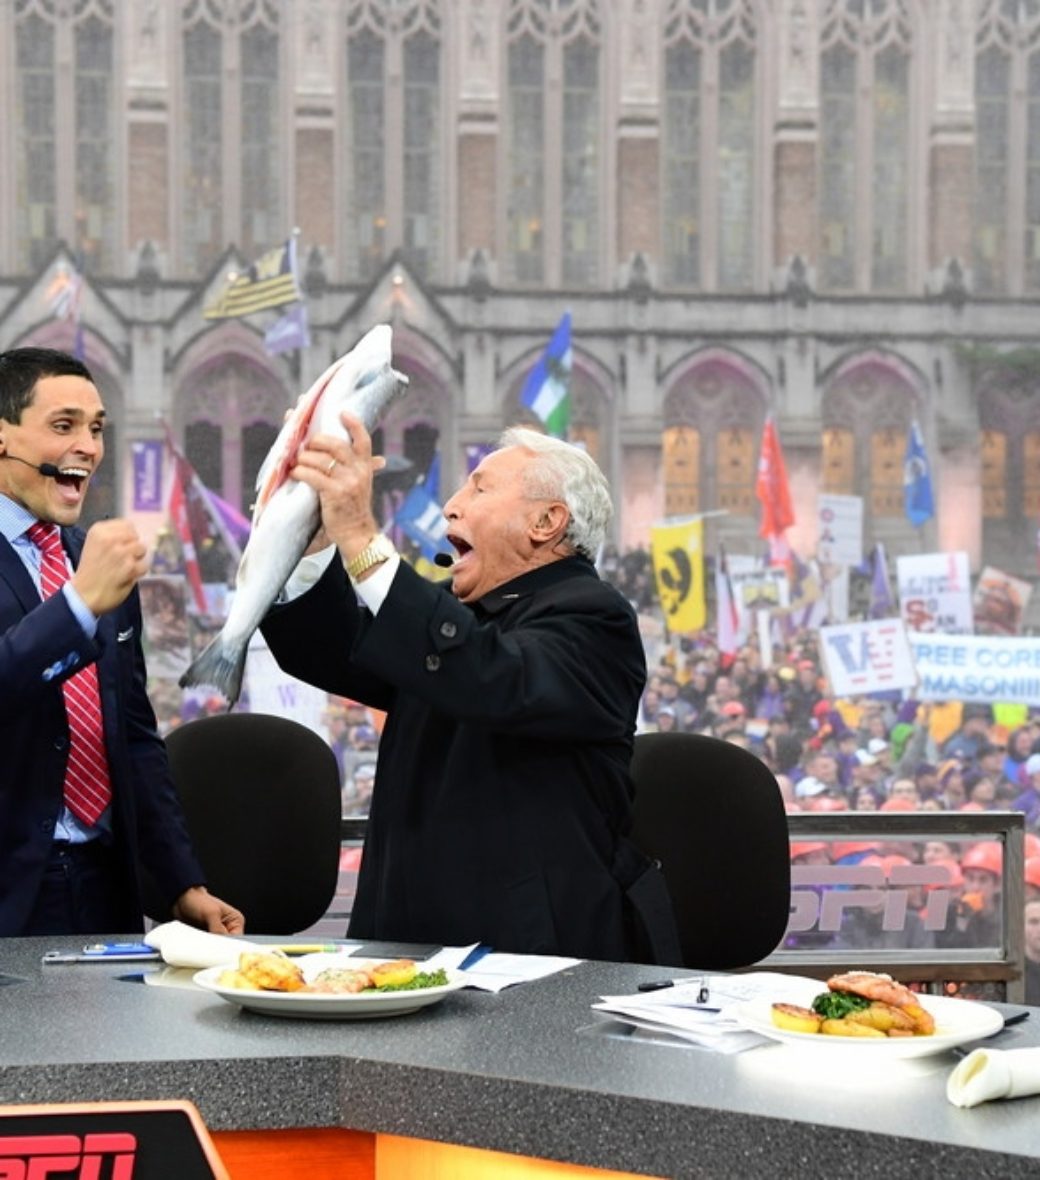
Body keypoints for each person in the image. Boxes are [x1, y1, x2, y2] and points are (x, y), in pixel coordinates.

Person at [260, 415, 678, 963]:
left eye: (480, 487)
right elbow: (332, 649)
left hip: (527, 960)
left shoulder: (594, 618)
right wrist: (312, 541)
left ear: (547, 521)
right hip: (404, 936)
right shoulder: (461, 613)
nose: (452, 505)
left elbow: (492, 677)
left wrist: (362, 537)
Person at [0, 347, 244, 937]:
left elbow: (132, 736)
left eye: (96, 428)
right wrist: (77, 606)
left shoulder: (93, 560)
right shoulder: (91, 582)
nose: (88, 446)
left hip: (105, 886)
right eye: (64, 426)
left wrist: (183, 885)